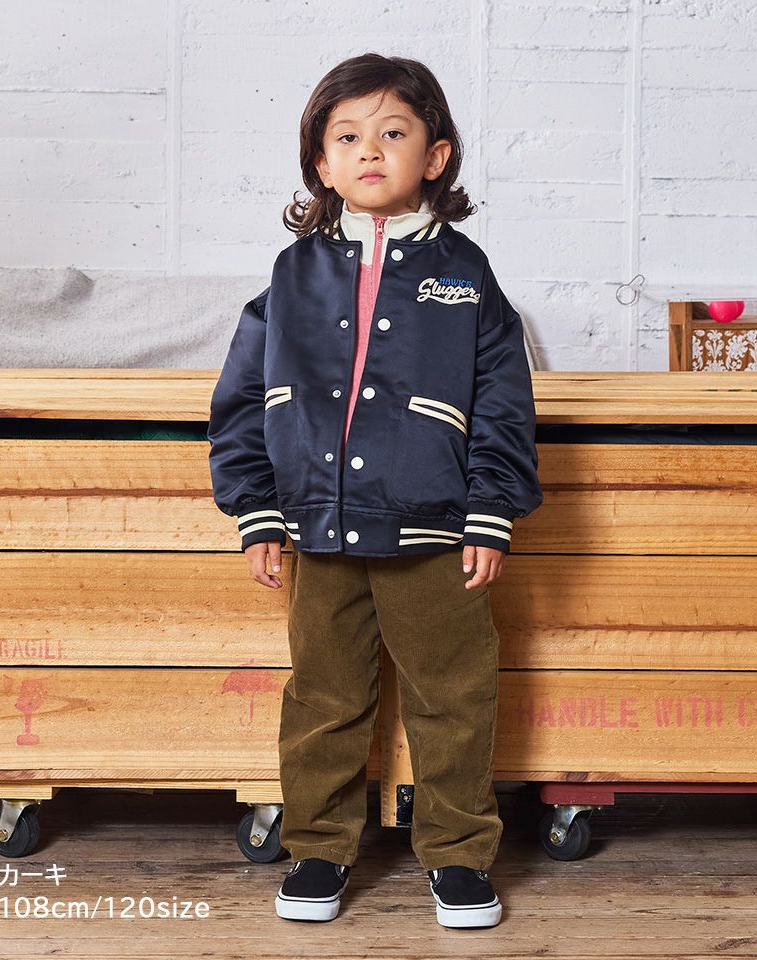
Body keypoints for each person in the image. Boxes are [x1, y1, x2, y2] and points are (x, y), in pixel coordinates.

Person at [207, 53, 543, 929]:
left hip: (435, 531)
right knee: (322, 698)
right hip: (316, 530)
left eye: (393, 133)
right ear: (321, 165)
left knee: (453, 696)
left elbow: (504, 400)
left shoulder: (465, 274)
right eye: (347, 137)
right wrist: (256, 511)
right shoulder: (292, 275)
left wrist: (491, 511)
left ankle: (460, 856)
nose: (369, 150)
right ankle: (318, 850)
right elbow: (242, 398)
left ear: (435, 156)